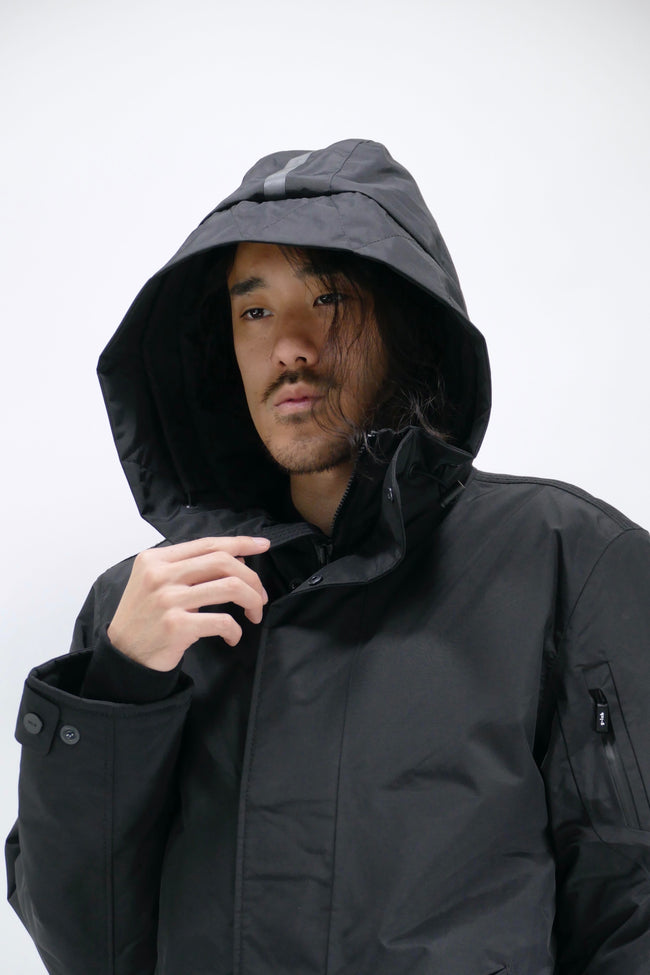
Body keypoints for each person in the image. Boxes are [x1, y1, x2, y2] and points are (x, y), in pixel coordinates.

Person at [6, 139, 650, 975]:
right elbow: (85, 947)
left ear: (405, 320)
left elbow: (633, 907)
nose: (290, 347)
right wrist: (116, 691)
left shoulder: (564, 561)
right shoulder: (147, 607)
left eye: (330, 298)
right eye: (254, 311)